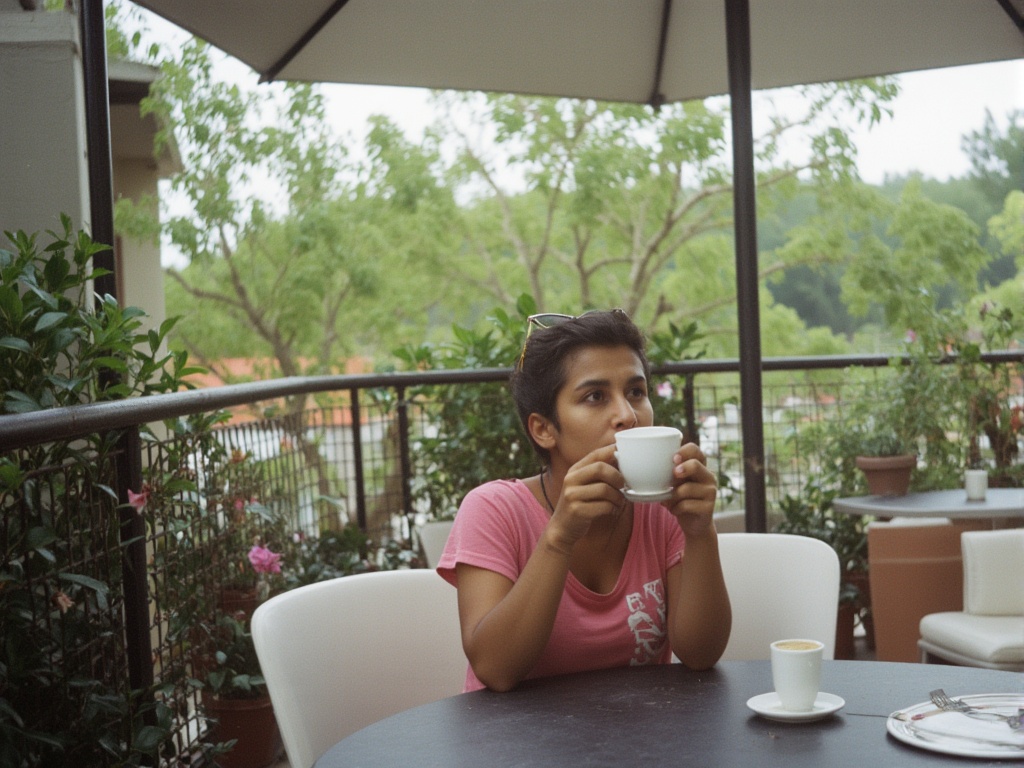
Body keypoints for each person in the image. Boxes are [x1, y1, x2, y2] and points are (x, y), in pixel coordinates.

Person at [437, 309, 732, 692]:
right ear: (543, 429)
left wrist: (700, 532)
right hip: (514, 746)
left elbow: (700, 654)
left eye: (636, 392)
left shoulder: (662, 509)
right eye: (595, 396)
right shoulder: (494, 510)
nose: (627, 415)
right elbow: (495, 669)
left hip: (643, 743)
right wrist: (559, 536)